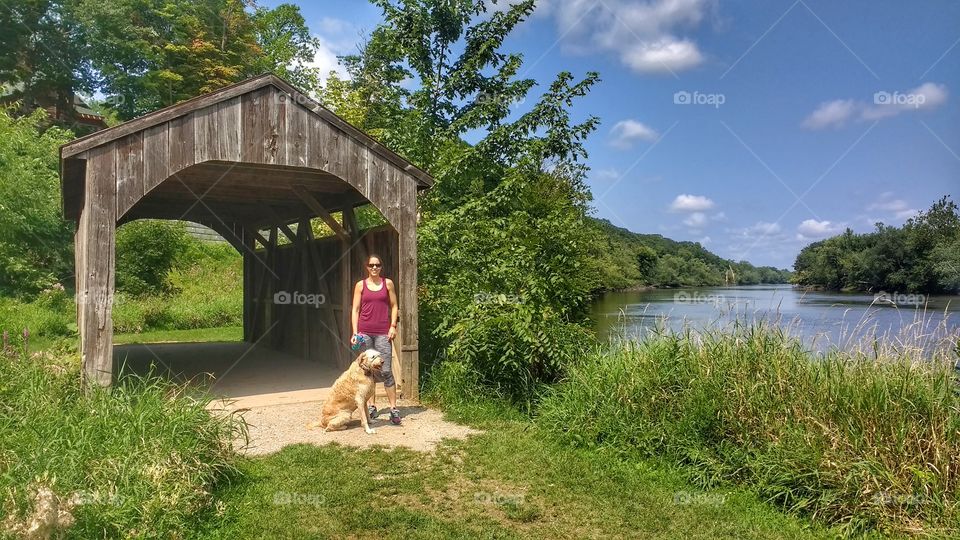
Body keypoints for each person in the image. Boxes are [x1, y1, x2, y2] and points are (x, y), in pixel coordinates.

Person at [350, 254, 401, 425]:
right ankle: (372, 406)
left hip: (382, 333)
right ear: (366, 267)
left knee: (385, 370)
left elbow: (394, 306)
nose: (374, 268)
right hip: (364, 333)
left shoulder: (388, 283)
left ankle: (394, 408)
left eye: (377, 265)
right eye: (371, 265)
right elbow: (355, 309)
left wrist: (393, 326)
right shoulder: (360, 285)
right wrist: (355, 332)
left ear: (381, 266)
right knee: (368, 371)